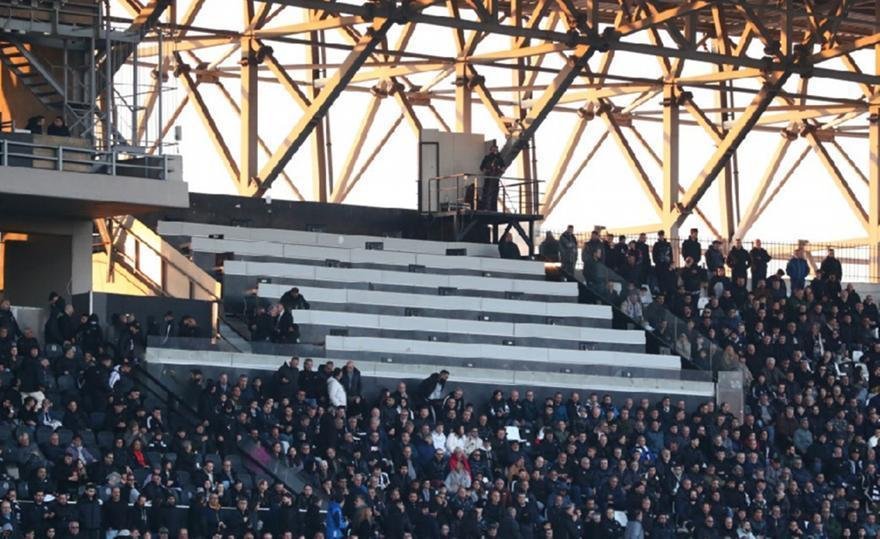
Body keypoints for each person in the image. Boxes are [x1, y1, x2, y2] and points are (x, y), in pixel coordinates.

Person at [479, 142, 504, 211]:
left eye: (496, 149)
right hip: (488, 178)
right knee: (487, 192)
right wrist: (488, 170)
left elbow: (503, 167)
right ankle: (485, 207)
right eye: (493, 149)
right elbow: (481, 168)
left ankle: (493, 208)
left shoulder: (499, 158)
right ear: (490, 150)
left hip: (495, 178)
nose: (495, 151)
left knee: (494, 193)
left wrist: (499, 170)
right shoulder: (487, 158)